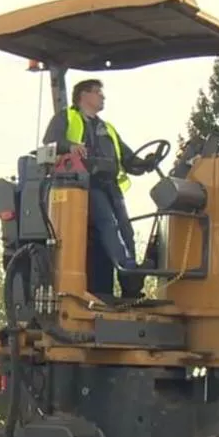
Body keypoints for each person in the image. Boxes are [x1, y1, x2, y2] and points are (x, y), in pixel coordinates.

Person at [42, 78, 159, 298]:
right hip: (84, 186)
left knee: (126, 231)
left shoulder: (107, 128)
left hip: (110, 186)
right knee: (110, 226)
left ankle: (131, 285)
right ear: (83, 95)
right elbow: (50, 142)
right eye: (98, 92)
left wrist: (145, 163)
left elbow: (127, 158)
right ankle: (128, 270)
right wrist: (71, 146)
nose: (103, 96)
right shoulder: (67, 117)